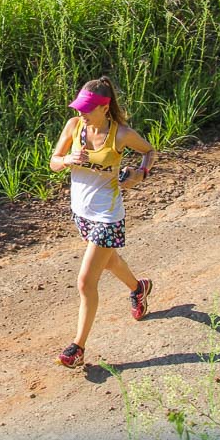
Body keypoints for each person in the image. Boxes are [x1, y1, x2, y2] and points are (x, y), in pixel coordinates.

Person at [49, 76, 156, 368]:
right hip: (81, 213)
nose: (81, 112)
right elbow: (54, 161)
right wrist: (68, 159)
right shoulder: (74, 126)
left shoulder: (121, 134)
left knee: (86, 282)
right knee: (108, 261)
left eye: (87, 108)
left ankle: (78, 348)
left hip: (108, 217)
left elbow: (149, 151)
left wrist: (140, 174)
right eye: (80, 107)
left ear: (104, 107)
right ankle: (138, 288)